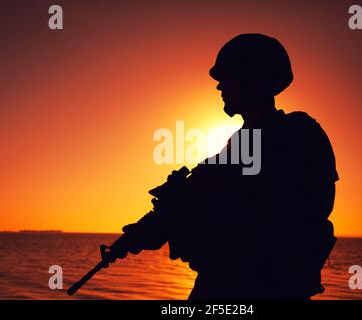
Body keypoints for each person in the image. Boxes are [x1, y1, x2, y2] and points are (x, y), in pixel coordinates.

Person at [109, 33, 339, 300]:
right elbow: (201, 199)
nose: (220, 87)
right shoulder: (239, 144)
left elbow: (297, 203)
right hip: (223, 281)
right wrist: (144, 231)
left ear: (255, 82)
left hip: (262, 285)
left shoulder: (297, 134)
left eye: (228, 77)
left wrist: (201, 192)